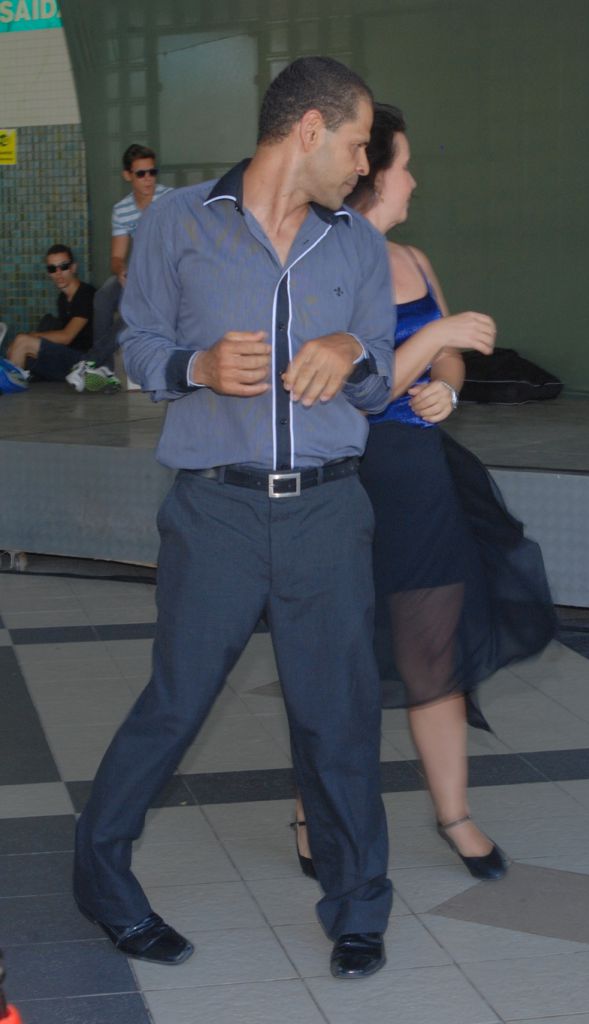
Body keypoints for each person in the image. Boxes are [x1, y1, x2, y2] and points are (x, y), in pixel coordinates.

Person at [73, 57, 396, 980]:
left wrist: (352, 349)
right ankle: (102, 882)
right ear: (308, 130)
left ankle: (357, 904)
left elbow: (377, 378)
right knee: (175, 704)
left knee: (338, 716)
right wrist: (198, 368)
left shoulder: (357, 245)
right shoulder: (177, 222)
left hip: (329, 510)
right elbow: (135, 346)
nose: (364, 165)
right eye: (357, 143)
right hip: (214, 509)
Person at [294, 104, 556, 880]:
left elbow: (450, 359)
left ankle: (456, 816)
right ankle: (312, 813)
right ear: (370, 171)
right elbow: (351, 391)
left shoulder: (413, 258)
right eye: (405, 166)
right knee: (333, 657)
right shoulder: (322, 262)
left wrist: (447, 382)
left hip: (416, 475)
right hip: (344, 475)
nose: (414, 180)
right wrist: (435, 339)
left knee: (432, 649)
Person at [77, 143, 172, 383]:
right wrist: (121, 271)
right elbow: (117, 258)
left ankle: (92, 361)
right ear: (128, 175)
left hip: (167, 277)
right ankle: (105, 369)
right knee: (103, 296)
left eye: (152, 172)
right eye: (141, 173)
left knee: (133, 309)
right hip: (138, 275)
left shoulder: (171, 200)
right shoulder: (122, 210)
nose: (148, 178)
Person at [1, 245, 113, 390]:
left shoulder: (85, 294)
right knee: (18, 350)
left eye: (64, 266)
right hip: (68, 359)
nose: (58, 273)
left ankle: (8, 388)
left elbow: (66, 336)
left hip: (85, 362)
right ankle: (12, 384)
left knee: (22, 341)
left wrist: (31, 336)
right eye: (52, 268)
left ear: (73, 268)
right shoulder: (62, 299)